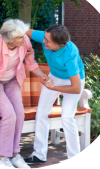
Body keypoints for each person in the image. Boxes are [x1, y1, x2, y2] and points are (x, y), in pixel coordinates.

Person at [0, 19, 54, 169]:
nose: (24, 38)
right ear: (10, 39)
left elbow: (31, 63)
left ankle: (14, 154)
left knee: (19, 114)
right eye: (20, 37)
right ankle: (1, 157)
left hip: (12, 80)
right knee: (9, 114)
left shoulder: (24, 41)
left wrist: (43, 76)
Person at [23, 24, 85, 164]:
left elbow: (75, 88)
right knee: (41, 113)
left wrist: (54, 88)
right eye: (44, 38)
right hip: (55, 76)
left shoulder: (70, 55)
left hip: (73, 81)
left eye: (47, 41)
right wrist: (24, 48)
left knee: (67, 117)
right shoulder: (47, 36)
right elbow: (23, 31)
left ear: (59, 43)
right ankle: (39, 154)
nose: (43, 42)